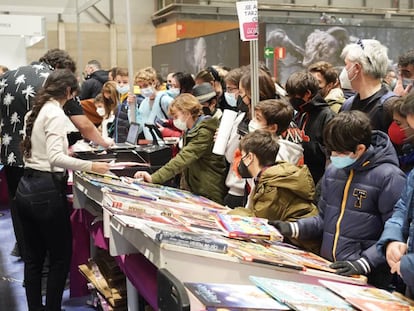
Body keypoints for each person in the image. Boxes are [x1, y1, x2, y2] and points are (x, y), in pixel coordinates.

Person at [272, 111, 406, 289]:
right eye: (331, 150)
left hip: (368, 276)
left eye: (339, 152)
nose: (334, 156)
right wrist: (292, 227)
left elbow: (394, 234)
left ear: (360, 149)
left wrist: (363, 262)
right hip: (330, 268)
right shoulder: (334, 172)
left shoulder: (389, 177)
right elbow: (323, 219)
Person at [0, 48, 113, 258]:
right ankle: (46, 269)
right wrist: (105, 142)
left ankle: (26, 254)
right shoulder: (53, 81)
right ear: (61, 68)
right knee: (47, 219)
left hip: (9, 154)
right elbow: (83, 124)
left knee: (20, 212)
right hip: (41, 163)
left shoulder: (7, 77)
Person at [15, 69, 110, 311]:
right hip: (45, 192)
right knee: (59, 257)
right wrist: (93, 165)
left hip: (25, 189)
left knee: (34, 260)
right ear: (68, 92)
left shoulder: (35, 111)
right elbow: (56, 158)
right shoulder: (55, 114)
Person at [229, 130, 320, 253]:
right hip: (297, 240)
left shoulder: (272, 185)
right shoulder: (272, 176)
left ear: (250, 157)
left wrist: (230, 214)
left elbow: (258, 224)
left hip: (304, 244)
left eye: (243, 155)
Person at [133, 93, 227, 204]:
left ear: (187, 113)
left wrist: (154, 178)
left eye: (176, 117)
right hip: (195, 188)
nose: (175, 120)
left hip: (208, 190)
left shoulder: (205, 131)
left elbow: (183, 159)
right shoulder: (191, 129)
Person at [223, 68, 276, 208]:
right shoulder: (244, 118)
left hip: (261, 188)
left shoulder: (253, 122)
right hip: (247, 187)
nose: (238, 96)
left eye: (241, 92)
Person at [285, 71, 336, 184]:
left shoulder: (328, 117)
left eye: (294, 95)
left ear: (307, 94)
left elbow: (331, 157)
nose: (291, 99)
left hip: (318, 180)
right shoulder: (300, 114)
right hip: (299, 179)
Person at [339, 39, 396, 133]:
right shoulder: (347, 105)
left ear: (356, 68)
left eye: (347, 64)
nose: (344, 69)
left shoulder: (389, 106)